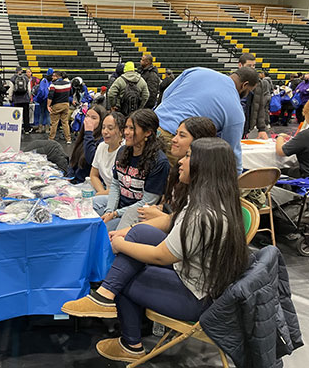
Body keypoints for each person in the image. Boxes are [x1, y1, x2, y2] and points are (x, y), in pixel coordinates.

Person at [61, 137, 250, 364]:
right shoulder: (213, 200)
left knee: (124, 274)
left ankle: (130, 343)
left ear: (204, 166)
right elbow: (171, 228)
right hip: (197, 278)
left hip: (196, 298)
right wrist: (128, 233)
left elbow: (162, 256)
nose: (181, 161)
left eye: (189, 156)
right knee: (140, 234)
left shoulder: (203, 214)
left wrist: (121, 244)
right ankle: (105, 296)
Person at [155, 66, 258, 173]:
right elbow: (231, 152)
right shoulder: (236, 110)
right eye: (249, 91)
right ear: (245, 85)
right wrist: (236, 178)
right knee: (167, 184)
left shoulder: (197, 71)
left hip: (151, 126)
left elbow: (167, 94)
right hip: (175, 141)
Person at [119, 116, 217, 228]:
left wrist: (160, 215)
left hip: (179, 230)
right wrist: (160, 208)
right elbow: (171, 204)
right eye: (176, 134)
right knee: (129, 214)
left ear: (199, 142)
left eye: (182, 135)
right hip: (168, 219)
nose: (174, 139)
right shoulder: (178, 167)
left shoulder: (203, 181)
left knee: (129, 228)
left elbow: (190, 222)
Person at [95, 109, 170, 231]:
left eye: (132, 128)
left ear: (148, 132)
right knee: (87, 207)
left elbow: (148, 202)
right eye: (126, 127)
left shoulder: (159, 162)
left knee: (104, 232)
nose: (126, 132)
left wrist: (115, 214)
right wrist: (110, 210)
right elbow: (115, 184)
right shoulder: (123, 151)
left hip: (138, 213)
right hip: (119, 204)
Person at [67, 104, 107, 184]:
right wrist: (69, 177)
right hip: (75, 182)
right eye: (87, 116)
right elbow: (74, 160)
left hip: (88, 185)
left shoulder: (102, 141)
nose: (88, 120)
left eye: (94, 118)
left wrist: (89, 132)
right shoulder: (84, 136)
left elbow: (91, 159)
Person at [90, 111, 125, 195]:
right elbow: (93, 175)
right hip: (105, 190)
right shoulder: (102, 146)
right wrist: (101, 192)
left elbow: (123, 188)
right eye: (103, 127)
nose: (105, 132)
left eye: (110, 128)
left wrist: (100, 195)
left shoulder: (125, 150)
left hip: (119, 195)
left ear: (121, 131)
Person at [237, 53, 269, 140]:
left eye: (253, 66)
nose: (252, 68)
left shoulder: (259, 83)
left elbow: (260, 106)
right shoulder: (231, 80)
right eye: (249, 66)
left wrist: (262, 128)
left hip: (247, 124)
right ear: (240, 65)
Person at [276, 101, 309, 178]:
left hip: (305, 177)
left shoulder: (305, 135)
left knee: (278, 171)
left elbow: (281, 151)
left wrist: (280, 137)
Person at [48, 70, 72, 144]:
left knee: (54, 122)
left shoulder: (53, 85)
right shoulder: (68, 84)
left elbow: (50, 96)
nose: (52, 77)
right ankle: (68, 139)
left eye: (53, 76)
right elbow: (71, 93)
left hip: (57, 105)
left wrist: (48, 105)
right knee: (65, 122)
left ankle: (51, 138)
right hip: (66, 104)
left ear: (56, 76)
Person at [8, 66, 32, 134]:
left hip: (16, 100)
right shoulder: (26, 78)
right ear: (21, 71)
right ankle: (26, 129)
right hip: (25, 100)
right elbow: (29, 90)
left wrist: (10, 98)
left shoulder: (13, 78)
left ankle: (17, 129)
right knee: (26, 115)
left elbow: (11, 90)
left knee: (17, 116)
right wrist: (29, 98)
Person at [34, 68, 53, 133]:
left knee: (42, 113)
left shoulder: (44, 80)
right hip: (49, 99)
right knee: (48, 114)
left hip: (43, 99)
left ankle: (40, 128)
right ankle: (47, 129)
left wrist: (38, 98)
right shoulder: (52, 81)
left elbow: (41, 90)